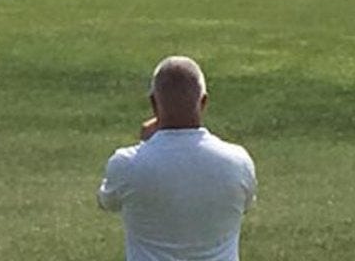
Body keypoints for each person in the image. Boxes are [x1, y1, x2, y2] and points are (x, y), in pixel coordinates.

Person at [97, 56, 257, 261]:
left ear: (154, 103)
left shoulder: (127, 164)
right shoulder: (238, 162)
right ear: (203, 102)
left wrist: (145, 146)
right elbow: (246, 205)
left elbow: (106, 201)